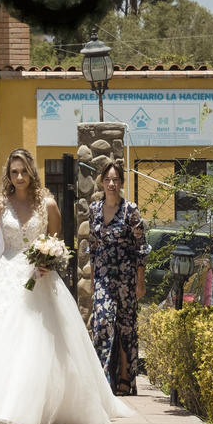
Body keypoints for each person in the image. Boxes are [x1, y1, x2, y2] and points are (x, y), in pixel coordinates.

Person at [0, 148, 134, 424]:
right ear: (8, 174)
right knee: (0, 339)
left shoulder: (48, 204)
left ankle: (28, 407)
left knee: (37, 341)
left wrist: (49, 263)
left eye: (23, 171)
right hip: (6, 277)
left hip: (39, 279)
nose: (19, 177)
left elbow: (58, 245)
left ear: (32, 172)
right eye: (14, 172)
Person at [87, 161, 148, 396]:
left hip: (126, 276)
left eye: (116, 180)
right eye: (107, 180)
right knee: (102, 322)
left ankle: (124, 377)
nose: (111, 184)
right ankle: (102, 377)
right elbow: (92, 246)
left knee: (124, 326)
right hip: (103, 275)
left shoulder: (130, 210)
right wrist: (93, 279)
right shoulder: (93, 209)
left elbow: (141, 247)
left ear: (121, 183)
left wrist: (140, 281)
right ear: (102, 183)